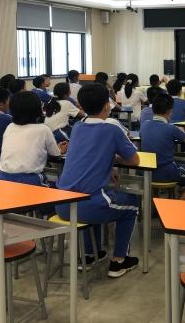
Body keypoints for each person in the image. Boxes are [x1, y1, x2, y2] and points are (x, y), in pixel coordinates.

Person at [56, 83, 141, 277]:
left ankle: (89, 255)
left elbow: (88, 155)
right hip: (89, 206)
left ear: (81, 106)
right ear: (107, 105)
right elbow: (134, 160)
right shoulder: (112, 129)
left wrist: (108, 164)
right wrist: (114, 159)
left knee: (87, 196)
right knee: (132, 204)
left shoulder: (77, 127)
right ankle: (119, 261)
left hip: (61, 204)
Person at [140, 94, 185, 200]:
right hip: (167, 172)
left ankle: (155, 205)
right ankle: (177, 205)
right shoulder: (171, 129)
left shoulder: (144, 125)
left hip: (147, 173)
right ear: (170, 111)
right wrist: (182, 131)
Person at [0, 91, 67, 187]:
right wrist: (60, 149)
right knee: (56, 186)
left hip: (2, 178)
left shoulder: (10, 127)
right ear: (37, 110)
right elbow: (55, 154)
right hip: (30, 180)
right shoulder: (43, 129)